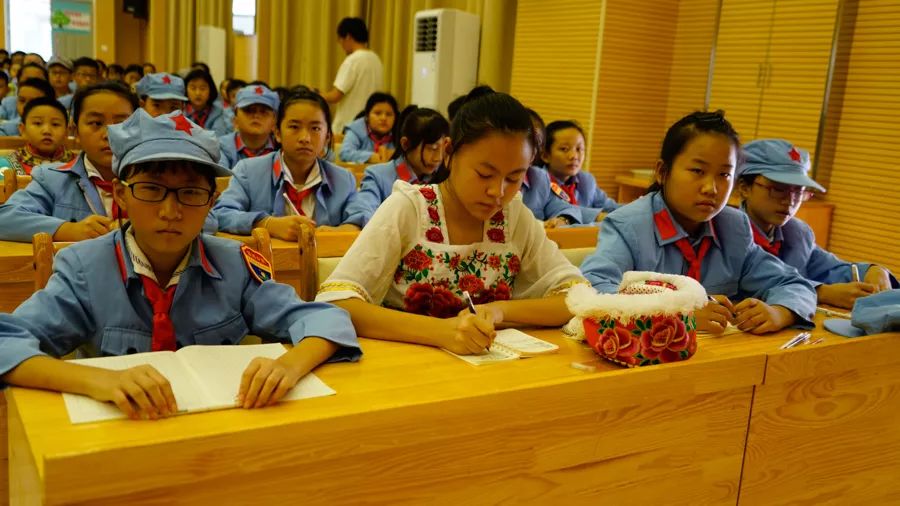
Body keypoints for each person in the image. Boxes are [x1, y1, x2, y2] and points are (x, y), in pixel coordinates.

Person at [0, 108, 361, 419]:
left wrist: (288, 366)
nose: (170, 212)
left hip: (218, 429)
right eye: (151, 189)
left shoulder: (233, 265)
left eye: (190, 193)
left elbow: (326, 317)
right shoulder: (84, 268)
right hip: (122, 433)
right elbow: (7, 342)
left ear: (211, 202)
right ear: (122, 195)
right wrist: (97, 379)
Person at [316, 89, 589, 354]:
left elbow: (576, 297)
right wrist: (440, 332)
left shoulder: (514, 217)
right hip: (405, 370)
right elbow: (339, 302)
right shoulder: (411, 208)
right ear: (448, 153)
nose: (498, 191)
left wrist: (499, 310)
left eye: (514, 178)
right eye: (484, 174)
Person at [579, 111, 818, 335]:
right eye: (697, 170)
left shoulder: (734, 229)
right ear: (663, 172)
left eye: (724, 175)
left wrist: (780, 312)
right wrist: (680, 316)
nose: (711, 188)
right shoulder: (628, 226)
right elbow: (596, 292)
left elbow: (792, 283)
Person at [736, 139, 897, 309]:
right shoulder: (726, 231)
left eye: (798, 191)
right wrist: (822, 292)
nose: (790, 201)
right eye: (778, 188)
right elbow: (753, 282)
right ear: (744, 188)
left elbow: (831, 269)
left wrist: (872, 270)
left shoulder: (796, 232)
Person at [0, 82, 138, 242]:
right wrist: (67, 229)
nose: (109, 134)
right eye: (96, 123)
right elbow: (5, 219)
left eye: (121, 124)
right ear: (75, 130)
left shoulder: (155, 179)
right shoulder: (53, 179)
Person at [212, 90, 361, 236]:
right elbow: (221, 213)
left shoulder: (344, 179)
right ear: (277, 133)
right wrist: (265, 223)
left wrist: (349, 228)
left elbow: (362, 214)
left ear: (327, 137)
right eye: (294, 127)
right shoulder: (248, 171)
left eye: (315, 128)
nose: (305, 138)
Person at [344, 105, 448, 227]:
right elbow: (363, 209)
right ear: (405, 144)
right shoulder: (378, 176)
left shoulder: (445, 177)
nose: (439, 158)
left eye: (444, 149)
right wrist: (356, 224)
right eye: (432, 148)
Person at [543, 120, 619, 223]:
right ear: (545, 155)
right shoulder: (539, 182)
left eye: (579, 149)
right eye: (564, 149)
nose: (574, 156)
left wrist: (636, 208)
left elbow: (609, 206)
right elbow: (560, 208)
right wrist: (597, 216)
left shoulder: (586, 180)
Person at [320, 17, 384, 132]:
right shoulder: (376, 59)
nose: (341, 45)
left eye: (340, 40)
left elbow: (335, 96)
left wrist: (317, 95)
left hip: (349, 126)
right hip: (370, 126)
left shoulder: (353, 60)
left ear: (348, 37)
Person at [0, 97, 75, 175]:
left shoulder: (80, 165)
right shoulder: (5, 166)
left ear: (67, 132)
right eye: (38, 123)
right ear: (23, 129)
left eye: (55, 124)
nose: (47, 131)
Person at [218, 85, 278, 169]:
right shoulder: (221, 147)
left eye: (264, 112)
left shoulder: (283, 148)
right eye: (249, 110)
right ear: (235, 120)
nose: (256, 116)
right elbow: (221, 180)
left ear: (274, 122)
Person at [339, 92, 398, 163]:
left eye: (389, 114)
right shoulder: (356, 130)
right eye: (378, 113)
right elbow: (345, 154)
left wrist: (396, 158)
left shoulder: (398, 134)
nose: (383, 118)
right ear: (367, 116)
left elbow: (403, 167)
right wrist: (371, 157)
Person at [182, 69, 228, 136]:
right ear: (185, 90)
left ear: (210, 90)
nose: (198, 93)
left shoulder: (218, 112)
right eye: (193, 88)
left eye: (202, 88)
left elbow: (218, 137)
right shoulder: (180, 111)